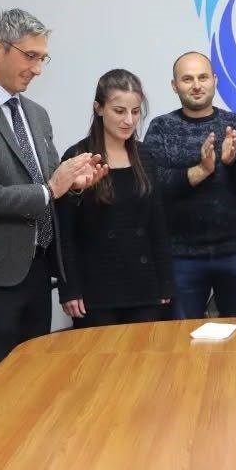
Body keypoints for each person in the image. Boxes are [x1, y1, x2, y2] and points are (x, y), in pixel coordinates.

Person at [0, 9, 107, 383]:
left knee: (34, 384)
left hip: (35, 270)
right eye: (30, 56)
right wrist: (51, 189)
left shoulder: (36, 113)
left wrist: (73, 185)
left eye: (42, 58)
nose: (37, 69)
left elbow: (48, 184)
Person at [144, 52, 236, 319]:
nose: (196, 85)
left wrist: (233, 162)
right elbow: (152, 187)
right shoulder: (161, 127)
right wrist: (199, 171)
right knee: (181, 344)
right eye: (187, 79)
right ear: (174, 86)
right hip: (180, 258)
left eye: (203, 77)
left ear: (215, 80)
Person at [58, 69, 172, 327]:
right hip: (95, 290)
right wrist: (70, 288)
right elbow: (65, 231)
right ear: (99, 109)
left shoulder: (145, 157)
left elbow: (157, 225)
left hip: (144, 288)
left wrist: (165, 282)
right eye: (119, 111)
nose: (129, 120)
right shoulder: (77, 157)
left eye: (135, 111)